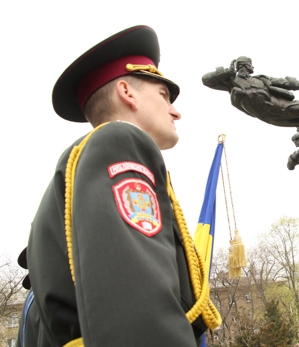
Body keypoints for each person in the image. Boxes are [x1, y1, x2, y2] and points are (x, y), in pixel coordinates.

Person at [16, 25, 220, 347]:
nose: (176, 111)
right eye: (165, 96)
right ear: (127, 92)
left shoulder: (82, 169)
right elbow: (137, 312)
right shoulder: (119, 142)